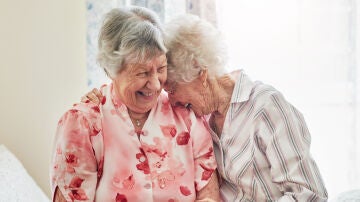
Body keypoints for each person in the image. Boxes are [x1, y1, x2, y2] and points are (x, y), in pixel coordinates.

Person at [84, 14, 329, 201]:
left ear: (201, 74)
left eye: (173, 88)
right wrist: (102, 98)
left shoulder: (266, 107)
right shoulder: (199, 119)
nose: (173, 100)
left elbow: (310, 194)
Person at [50, 7, 220, 202]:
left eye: (161, 69)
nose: (156, 84)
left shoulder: (186, 115)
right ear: (111, 70)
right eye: (142, 73)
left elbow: (210, 195)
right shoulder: (83, 123)